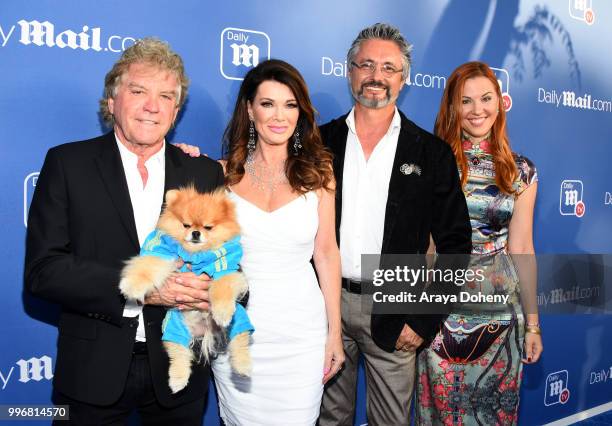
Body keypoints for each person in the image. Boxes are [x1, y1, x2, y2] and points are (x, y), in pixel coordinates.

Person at [24, 38, 223, 425]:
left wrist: (212, 292)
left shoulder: (203, 173)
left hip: (179, 375)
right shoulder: (68, 164)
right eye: (138, 91)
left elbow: (229, 265)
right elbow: (43, 271)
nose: (152, 106)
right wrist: (143, 287)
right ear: (112, 100)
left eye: (165, 96)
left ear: (176, 110)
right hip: (91, 373)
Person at [317, 23, 472, 425]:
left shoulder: (432, 153)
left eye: (389, 67)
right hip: (324, 302)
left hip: (397, 302)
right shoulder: (318, 142)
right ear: (349, 71)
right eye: (366, 64)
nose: (376, 76)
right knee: (329, 418)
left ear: (404, 79)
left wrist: (422, 318)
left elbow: (456, 243)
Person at [211, 59, 344, 425]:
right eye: (267, 103)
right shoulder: (220, 175)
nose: (279, 115)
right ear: (249, 109)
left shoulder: (320, 174)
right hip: (237, 330)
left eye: (290, 105)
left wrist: (335, 333)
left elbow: (327, 253)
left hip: (301, 335)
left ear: (300, 113)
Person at [416, 61, 543, 425]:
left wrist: (533, 325)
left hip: (501, 314)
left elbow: (522, 248)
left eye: (486, 98)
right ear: (452, 107)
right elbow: (426, 248)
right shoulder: (433, 162)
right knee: (443, 413)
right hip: (443, 309)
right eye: (465, 101)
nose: (477, 110)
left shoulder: (522, 171)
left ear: (499, 103)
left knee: (493, 412)